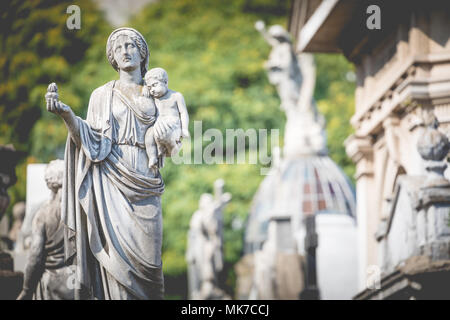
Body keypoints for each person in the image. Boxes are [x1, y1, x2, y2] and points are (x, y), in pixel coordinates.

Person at [45, 27, 170, 299]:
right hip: (111, 183)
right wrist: (67, 116)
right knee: (116, 268)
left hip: (146, 182)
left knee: (151, 268)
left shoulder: (157, 92)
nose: (125, 51)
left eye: (130, 46)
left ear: (142, 52)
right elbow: (91, 142)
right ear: (112, 58)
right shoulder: (102, 95)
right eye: (118, 48)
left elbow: (172, 136)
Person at [17, 160, 74, 300]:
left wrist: (26, 290)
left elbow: (35, 257)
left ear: (49, 182)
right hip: (78, 282)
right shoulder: (80, 212)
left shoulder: (43, 214)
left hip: (52, 284)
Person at [143, 67, 189, 170]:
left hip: (173, 125)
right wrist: (145, 88)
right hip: (158, 128)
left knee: (163, 127)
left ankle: (164, 148)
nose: (152, 90)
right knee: (149, 135)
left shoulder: (176, 96)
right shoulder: (154, 99)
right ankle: (153, 157)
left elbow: (183, 113)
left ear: (165, 82)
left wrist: (184, 129)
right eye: (150, 88)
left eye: (154, 85)